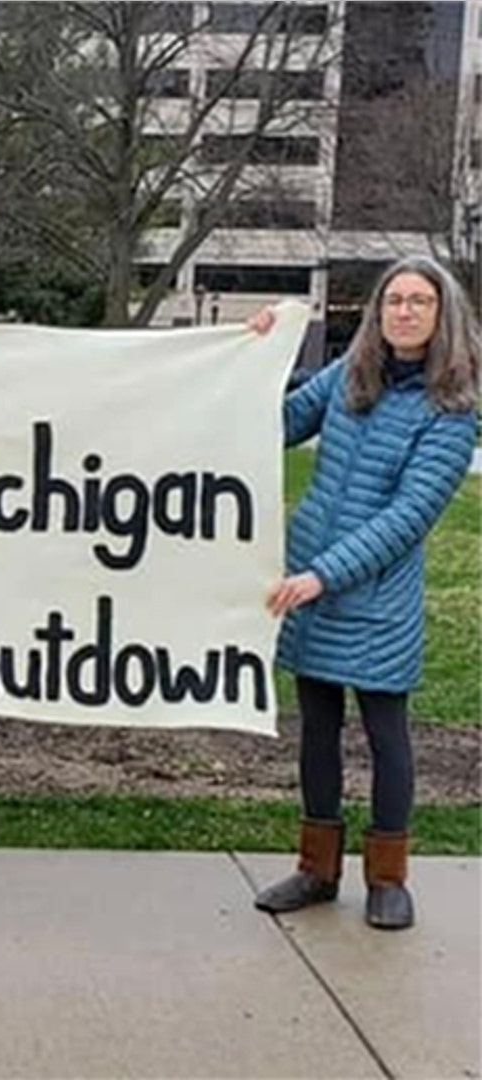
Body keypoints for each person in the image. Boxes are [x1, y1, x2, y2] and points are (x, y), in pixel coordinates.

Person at [248, 256, 478, 930]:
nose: (404, 311)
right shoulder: (350, 374)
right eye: (394, 300)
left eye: (419, 302)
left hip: (373, 598)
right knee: (316, 728)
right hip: (308, 586)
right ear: (378, 312)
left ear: (442, 315)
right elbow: (276, 424)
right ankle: (316, 869)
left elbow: (407, 518)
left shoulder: (452, 411)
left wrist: (323, 574)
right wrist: (252, 358)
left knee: (385, 733)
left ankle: (387, 877)